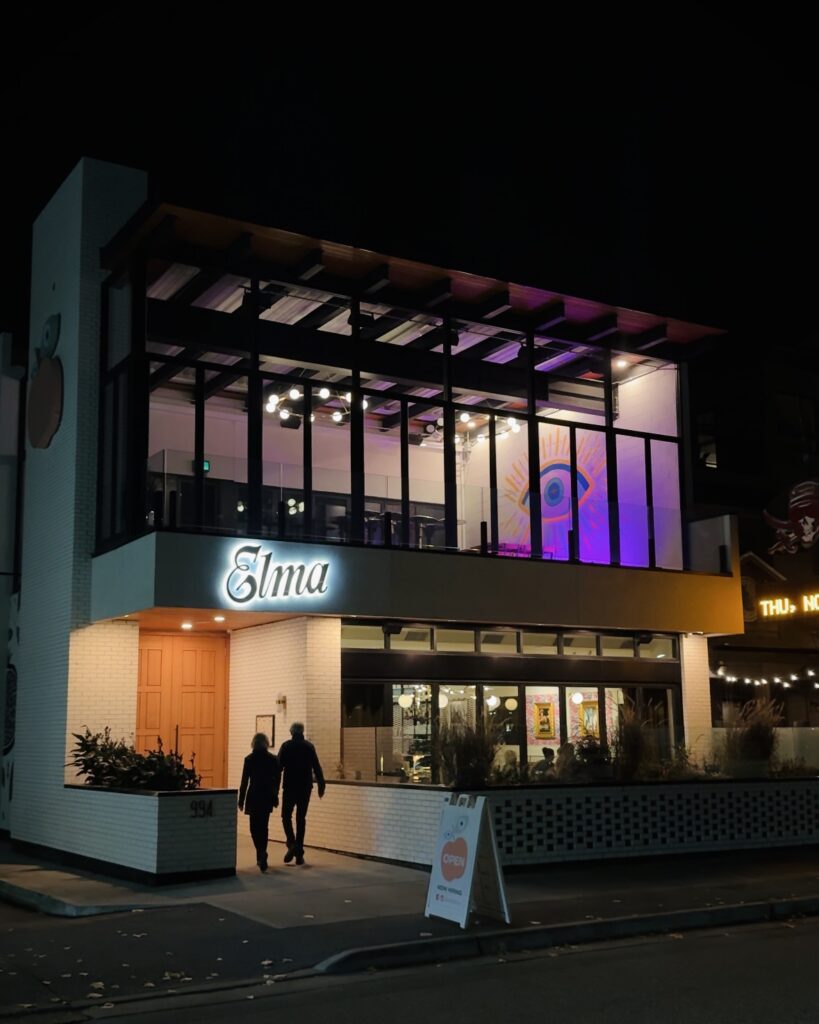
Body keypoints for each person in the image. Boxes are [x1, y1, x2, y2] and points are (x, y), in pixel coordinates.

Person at [277, 722, 325, 865]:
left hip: (290, 786)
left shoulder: (286, 746)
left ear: (291, 732)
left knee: (286, 816)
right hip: (305, 787)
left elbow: (278, 767)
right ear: (302, 731)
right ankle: (299, 852)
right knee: (301, 818)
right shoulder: (309, 747)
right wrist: (321, 784)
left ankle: (292, 845)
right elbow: (316, 766)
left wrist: (273, 786)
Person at [238, 733, 280, 872]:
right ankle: (261, 853)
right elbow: (276, 780)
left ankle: (260, 853)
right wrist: (275, 795)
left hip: (254, 795)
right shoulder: (273, 759)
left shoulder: (249, 759)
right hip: (267, 795)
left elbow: (245, 781)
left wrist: (241, 800)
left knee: (253, 827)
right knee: (264, 826)